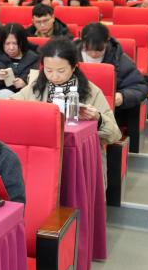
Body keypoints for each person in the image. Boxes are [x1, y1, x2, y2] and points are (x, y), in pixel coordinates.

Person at [12, 38, 120, 172]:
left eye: (61, 71)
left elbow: (115, 134)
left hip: (79, 158)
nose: (54, 76)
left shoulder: (91, 91)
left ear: (74, 67)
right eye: (49, 70)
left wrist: (99, 118)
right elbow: (12, 105)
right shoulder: (37, 87)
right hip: (42, 153)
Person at [77, 23, 148, 117]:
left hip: (108, 112)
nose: (93, 54)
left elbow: (140, 87)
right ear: (82, 42)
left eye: (99, 50)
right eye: (89, 50)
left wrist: (123, 96)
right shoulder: (70, 56)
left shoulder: (119, 59)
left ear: (107, 42)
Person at [0, 23, 39, 96]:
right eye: (7, 43)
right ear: (2, 43)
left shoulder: (34, 60)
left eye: (15, 43)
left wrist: (26, 84)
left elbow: (41, 85)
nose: (11, 48)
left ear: (22, 42)